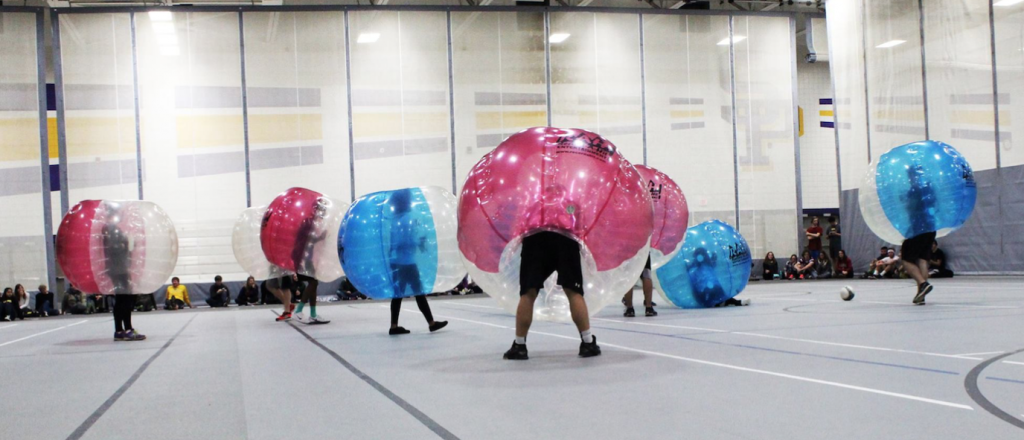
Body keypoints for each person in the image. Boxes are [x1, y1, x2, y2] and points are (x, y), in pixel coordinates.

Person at [504, 231, 600, 360]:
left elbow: (521, 216)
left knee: (528, 292)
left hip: (535, 237)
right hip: (566, 235)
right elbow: (580, 214)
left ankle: (519, 346)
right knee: (573, 291)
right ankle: (588, 342)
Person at [385, 190, 448, 334]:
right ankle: (431, 323)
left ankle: (394, 325)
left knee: (398, 295)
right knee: (418, 292)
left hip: (397, 261)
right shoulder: (407, 218)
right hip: (407, 262)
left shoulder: (395, 219)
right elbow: (406, 240)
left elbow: (393, 242)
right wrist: (419, 242)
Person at [104, 213, 145, 341]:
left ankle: (119, 330)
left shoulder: (109, 229)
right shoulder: (112, 230)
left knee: (121, 299)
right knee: (125, 299)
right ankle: (127, 329)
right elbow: (116, 248)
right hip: (119, 269)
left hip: (116, 268)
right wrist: (127, 244)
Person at [291, 198, 329, 324]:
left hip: (305, 257)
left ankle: (313, 314)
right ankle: (298, 310)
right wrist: (320, 238)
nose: (323, 212)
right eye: (321, 209)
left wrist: (320, 238)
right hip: (302, 257)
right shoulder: (308, 222)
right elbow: (305, 241)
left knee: (314, 283)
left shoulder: (312, 222)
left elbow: (308, 240)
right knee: (313, 282)